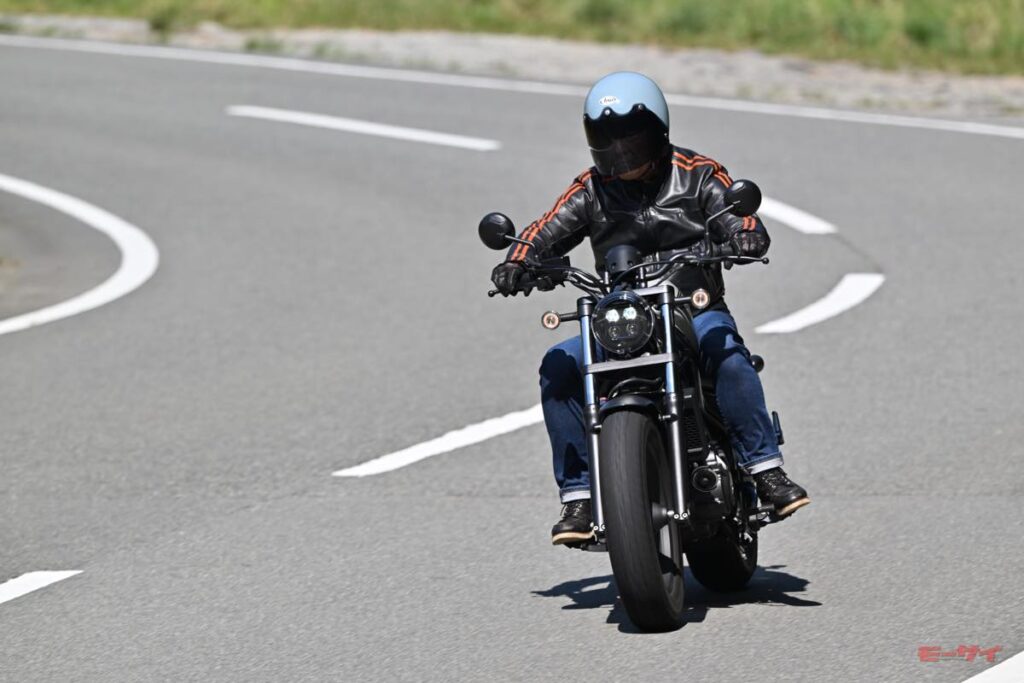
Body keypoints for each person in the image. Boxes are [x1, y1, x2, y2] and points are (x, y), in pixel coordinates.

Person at [490, 72, 810, 545]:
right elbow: (545, 229)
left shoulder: (698, 174)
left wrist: (744, 234)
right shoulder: (591, 189)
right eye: (609, 142)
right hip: (622, 319)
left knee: (727, 356)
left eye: (631, 140)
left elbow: (738, 215)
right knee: (557, 364)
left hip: (692, 309)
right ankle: (579, 496)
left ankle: (765, 470)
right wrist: (518, 261)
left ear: (659, 130)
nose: (620, 153)